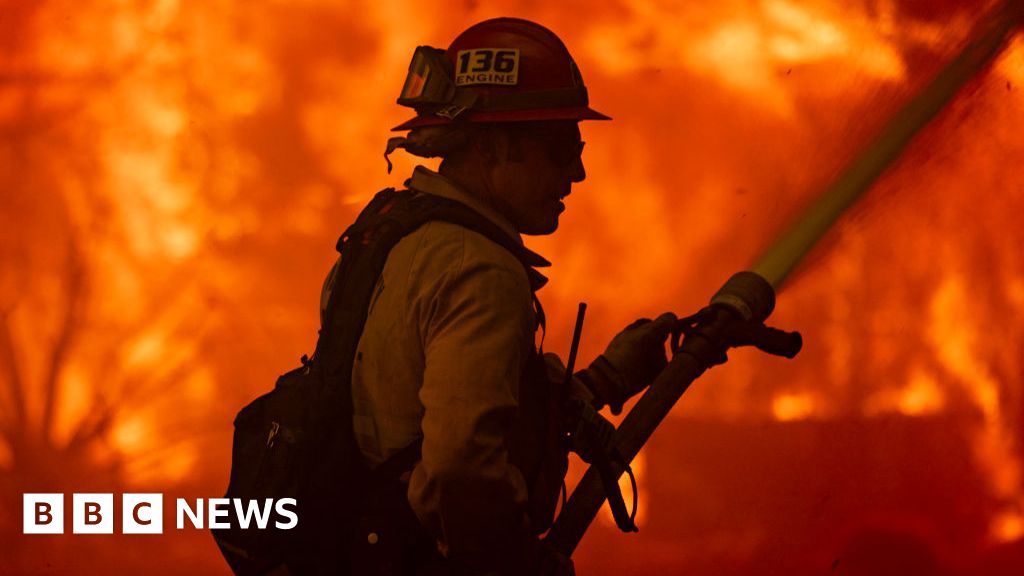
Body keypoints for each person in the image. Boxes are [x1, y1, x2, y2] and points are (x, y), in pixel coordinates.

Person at [334, 17, 676, 575]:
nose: (580, 171)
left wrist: (606, 380)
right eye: (562, 147)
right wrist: (519, 563)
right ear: (493, 147)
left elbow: (418, 409)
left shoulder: (388, 233)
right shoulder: (480, 272)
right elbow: (461, 469)